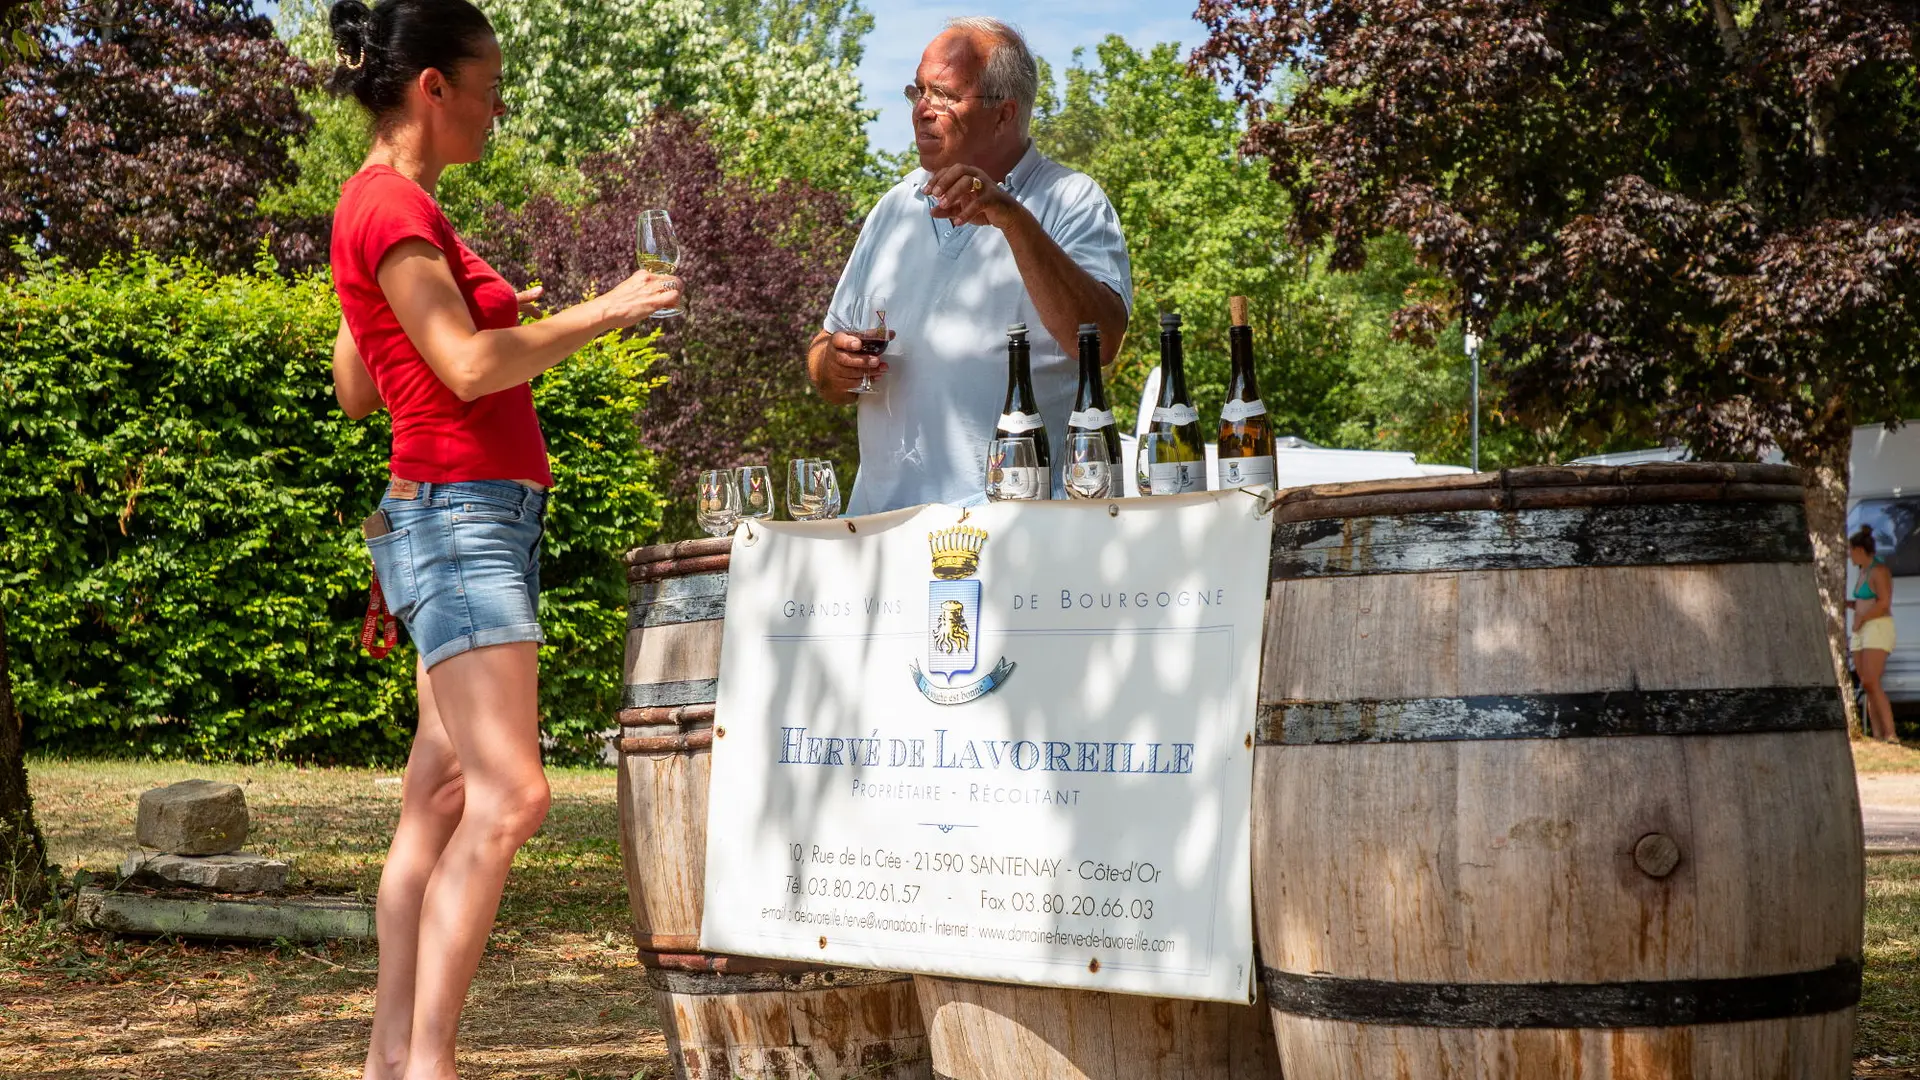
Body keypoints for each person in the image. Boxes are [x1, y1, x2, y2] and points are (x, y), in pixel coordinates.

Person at [322, 2, 681, 1078]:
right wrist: (607, 309)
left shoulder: (389, 206)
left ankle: (391, 1061)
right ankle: (426, 1065)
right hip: (462, 514)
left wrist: (467, 311)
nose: (501, 106)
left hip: (451, 511)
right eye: (491, 85)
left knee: (437, 797)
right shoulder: (391, 207)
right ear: (431, 86)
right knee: (513, 795)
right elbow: (470, 371)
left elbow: (358, 384)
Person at [807, 17, 1133, 513]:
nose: (921, 110)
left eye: (943, 95)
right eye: (918, 91)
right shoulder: (894, 207)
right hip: (885, 536)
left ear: (1003, 114)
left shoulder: (1070, 200)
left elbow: (1101, 341)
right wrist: (834, 363)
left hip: (1018, 532)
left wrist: (1010, 218)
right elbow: (824, 360)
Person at [1851, 525, 1899, 742]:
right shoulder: (1861, 571)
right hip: (1861, 631)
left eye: (1851, 551)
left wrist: (1862, 618)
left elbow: (1884, 603)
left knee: (1872, 680)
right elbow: (1863, 601)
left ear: (1860, 550)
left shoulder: (1879, 571)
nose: (1849, 555)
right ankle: (1878, 735)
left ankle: (1891, 733)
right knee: (1866, 682)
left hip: (1877, 627)